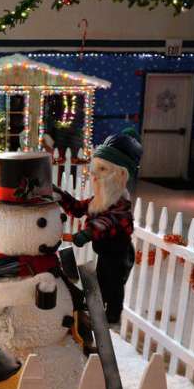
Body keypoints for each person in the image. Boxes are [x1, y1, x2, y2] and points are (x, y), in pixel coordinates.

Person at [56, 128, 141, 324]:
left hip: (119, 254)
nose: (94, 175)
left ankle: (113, 313)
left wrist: (84, 235)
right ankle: (98, 304)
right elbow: (78, 208)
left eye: (102, 170)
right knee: (102, 278)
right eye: (96, 169)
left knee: (114, 284)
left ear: (120, 175)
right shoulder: (101, 199)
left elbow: (106, 223)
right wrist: (60, 196)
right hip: (105, 252)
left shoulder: (121, 204)